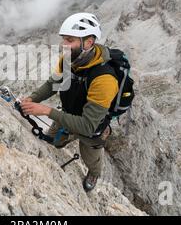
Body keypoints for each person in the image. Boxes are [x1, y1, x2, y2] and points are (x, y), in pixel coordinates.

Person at [20, 13, 119, 192]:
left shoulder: (104, 78)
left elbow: (88, 126)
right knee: (52, 142)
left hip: (92, 128)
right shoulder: (69, 59)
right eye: (64, 39)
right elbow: (53, 84)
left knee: (91, 158)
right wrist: (32, 99)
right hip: (67, 114)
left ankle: (94, 173)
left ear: (88, 43)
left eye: (69, 40)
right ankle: (63, 138)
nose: (64, 45)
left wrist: (46, 111)